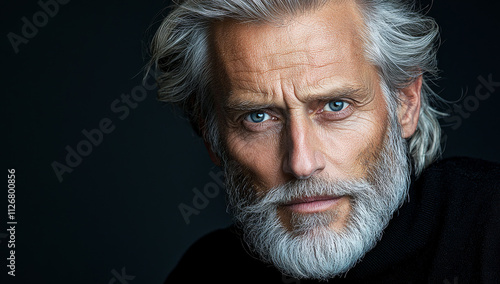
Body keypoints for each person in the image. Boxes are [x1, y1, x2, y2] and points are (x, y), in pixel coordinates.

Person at [148, 0, 500, 283]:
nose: (301, 163)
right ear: (212, 137)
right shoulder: (205, 272)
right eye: (258, 117)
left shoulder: (489, 226)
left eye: (336, 106)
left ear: (405, 103)